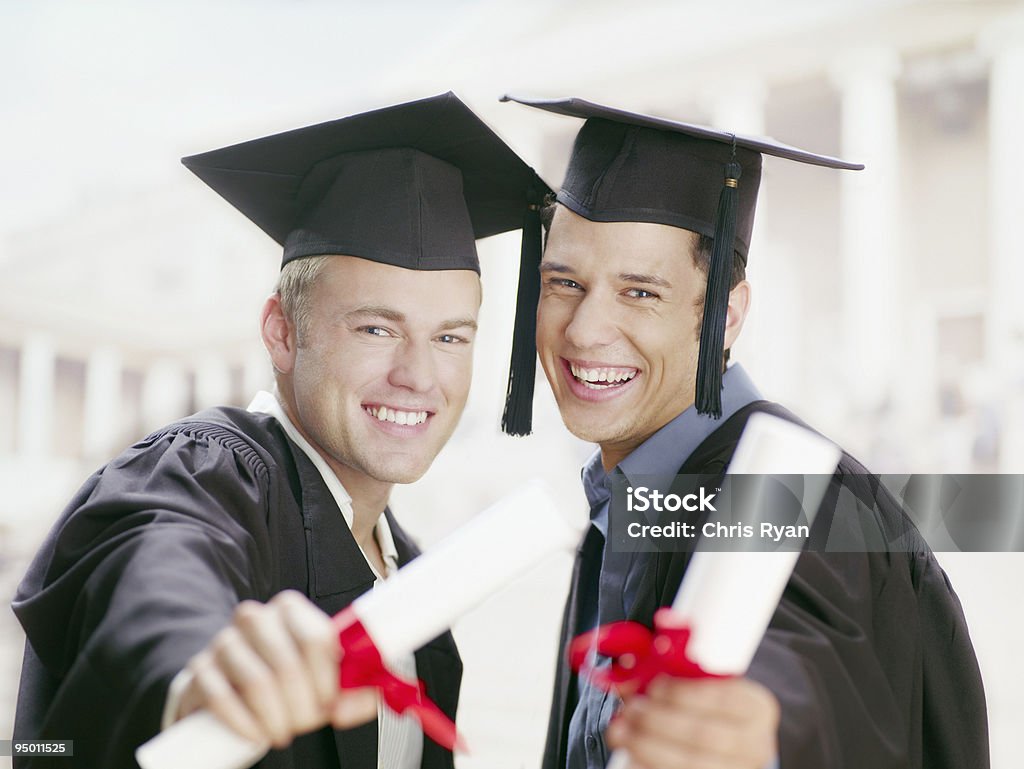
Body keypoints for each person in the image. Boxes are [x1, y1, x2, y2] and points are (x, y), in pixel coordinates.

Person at [12, 92, 548, 769]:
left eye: (449, 336)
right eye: (376, 328)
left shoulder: (415, 577)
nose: (419, 373)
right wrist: (198, 667)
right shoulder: (206, 471)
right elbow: (157, 567)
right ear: (282, 332)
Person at [499, 96, 989, 769]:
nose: (584, 329)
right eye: (564, 282)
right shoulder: (631, 497)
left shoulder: (786, 490)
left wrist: (757, 726)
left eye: (640, 291)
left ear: (725, 316)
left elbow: (794, 659)